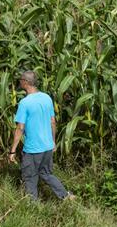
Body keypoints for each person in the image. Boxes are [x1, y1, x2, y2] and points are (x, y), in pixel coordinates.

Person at [8, 70, 74, 202]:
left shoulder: (24, 103)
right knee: (46, 174)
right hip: (47, 146)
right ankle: (66, 196)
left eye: (20, 80)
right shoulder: (46, 98)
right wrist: (53, 142)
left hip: (33, 149)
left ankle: (33, 207)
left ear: (26, 82)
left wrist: (12, 150)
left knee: (30, 178)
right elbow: (52, 122)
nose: (19, 82)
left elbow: (20, 128)